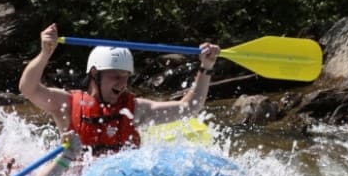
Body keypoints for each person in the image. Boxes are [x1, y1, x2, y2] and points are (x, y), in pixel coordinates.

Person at [19, 23, 220, 155]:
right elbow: (28, 89)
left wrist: (206, 67)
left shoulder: (135, 109)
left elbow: (190, 108)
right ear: (95, 74)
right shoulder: (66, 104)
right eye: (115, 76)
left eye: (126, 77)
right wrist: (45, 53)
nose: (122, 84)